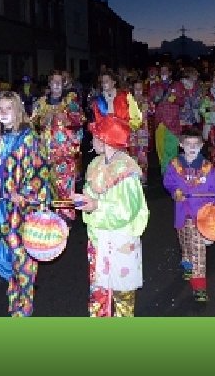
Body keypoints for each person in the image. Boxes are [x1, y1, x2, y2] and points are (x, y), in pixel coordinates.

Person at [0, 91, 52, 316]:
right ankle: (14, 299)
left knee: (23, 257)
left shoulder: (29, 138)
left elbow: (40, 171)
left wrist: (25, 194)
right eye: (0, 108)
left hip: (22, 208)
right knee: (5, 256)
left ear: (18, 111)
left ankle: (24, 307)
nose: (3, 112)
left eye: (8, 108)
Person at [73, 114, 149, 317]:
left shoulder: (126, 171)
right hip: (98, 238)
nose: (92, 140)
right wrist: (84, 201)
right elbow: (91, 194)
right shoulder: (96, 164)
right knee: (98, 287)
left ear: (104, 140)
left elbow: (127, 210)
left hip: (120, 240)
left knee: (122, 291)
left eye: (95, 136)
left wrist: (96, 205)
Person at [162, 129, 215, 301]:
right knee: (185, 242)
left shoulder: (207, 168)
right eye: (188, 144)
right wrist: (175, 191)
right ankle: (187, 265)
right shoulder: (175, 165)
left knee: (198, 250)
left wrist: (212, 207)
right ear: (181, 145)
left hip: (200, 215)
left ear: (202, 146)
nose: (192, 147)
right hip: (182, 213)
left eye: (196, 144)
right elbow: (168, 181)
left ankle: (199, 286)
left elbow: (214, 191)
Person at [31, 70, 86, 221]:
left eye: (59, 82)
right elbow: (32, 124)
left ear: (63, 84)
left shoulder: (70, 101)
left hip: (64, 154)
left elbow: (81, 119)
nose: (56, 84)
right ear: (49, 83)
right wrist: (42, 120)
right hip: (44, 153)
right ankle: (48, 218)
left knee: (64, 186)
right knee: (46, 185)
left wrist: (66, 117)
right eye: (53, 81)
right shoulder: (41, 102)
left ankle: (65, 219)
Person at [149, 63, 186, 170]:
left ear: (170, 73)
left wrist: (175, 99)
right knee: (161, 153)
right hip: (159, 123)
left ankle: (171, 175)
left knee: (172, 153)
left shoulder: (177, 85)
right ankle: (165, 175)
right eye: (161, 71)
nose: (163, 73)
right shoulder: (154, 86)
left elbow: (182, 101)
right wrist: (154, 101)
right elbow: (150, 101)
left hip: (173, 124)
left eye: (165, 70)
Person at [90, 70, 143, 136]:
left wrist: (130, 127)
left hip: (122, 135)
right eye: (102, 82)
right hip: (106, 136)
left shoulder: (125, 96)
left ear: (113, 82)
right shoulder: (98, 101)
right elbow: (97, 121)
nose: (104, 84)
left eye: (106, 81)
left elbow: (135, 115)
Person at [129, 79, 154, 183]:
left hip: (143, 133)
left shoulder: (146, 100)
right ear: (133, 89)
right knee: (132, 154)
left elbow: (152, 111)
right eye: (136, 88)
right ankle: (133, 177)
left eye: (140, 88)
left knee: (142, 154)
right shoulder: (128, 101)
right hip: (131, 133)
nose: (138, 90)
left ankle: (143, 177)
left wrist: (145, 104)